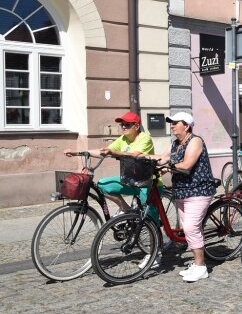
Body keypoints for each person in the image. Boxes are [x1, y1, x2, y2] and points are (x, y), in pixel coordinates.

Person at [150, 112, 216, 282]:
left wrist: (168, 166)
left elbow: (186, 165)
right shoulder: (175, 144)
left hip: (198, 190)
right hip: (181, 191)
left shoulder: (195, 141)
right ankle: (195, 263)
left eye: (175, 123)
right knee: (189, 228)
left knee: (191, 228)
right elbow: (161, 158)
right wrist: (140, 157)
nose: (171, 125)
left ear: (186, 126)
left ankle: (201, 267)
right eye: (171, 123)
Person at [64, 111, 157, 221]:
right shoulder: (123, 139)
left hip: (147, 183)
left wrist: (112, 152)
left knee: (149, 220)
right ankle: (126, 209)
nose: (123, 127)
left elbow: (134, 155)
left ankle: (155, 236)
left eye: (127, 124)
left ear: (136, 126)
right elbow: (104, 152)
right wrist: (77, 152)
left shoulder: (145, 138)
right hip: (129, 180)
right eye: (121, 124)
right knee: (103, 184)